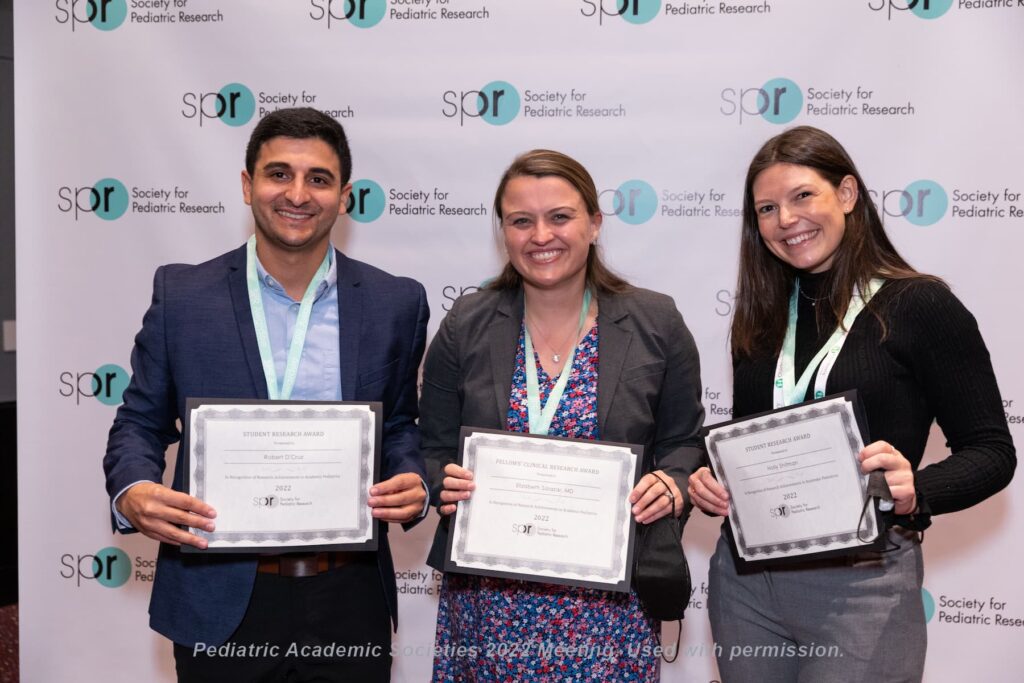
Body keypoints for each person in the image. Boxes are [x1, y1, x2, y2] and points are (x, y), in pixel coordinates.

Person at [103, 107, 429, 682]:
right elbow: (139, 422)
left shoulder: (395, 302)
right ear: (248, 184)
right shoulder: (182, 294)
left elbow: (400, 424)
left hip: (348, 596)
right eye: (279, 174)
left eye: (319, 179)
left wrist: (415, 480)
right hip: (217, 594)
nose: (298, 194)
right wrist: (132, 489)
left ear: (345, 195)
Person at [688, 125, 1016, 682]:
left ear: (846, 194)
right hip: (746, 581)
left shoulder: (919, 304)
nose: (786, 220)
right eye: (767, 208)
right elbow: (757, 439)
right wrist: (704, 469)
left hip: (864, 582)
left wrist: (920, 489)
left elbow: (991, 451)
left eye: (802, 196)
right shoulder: (762, 318)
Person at [420, 149, 705, 681]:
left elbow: (685, 442)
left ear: (594, 223)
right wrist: (444, 481)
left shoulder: (655, 321)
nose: (540, 235)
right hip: (489, 603)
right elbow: (432, 445)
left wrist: (673, 484)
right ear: (503, 232)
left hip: (609, 609)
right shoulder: (467, 322)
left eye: (560, 217)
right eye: (521, 221)